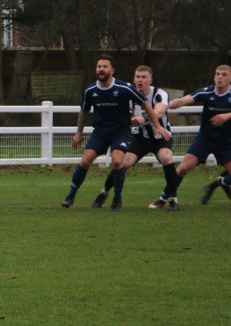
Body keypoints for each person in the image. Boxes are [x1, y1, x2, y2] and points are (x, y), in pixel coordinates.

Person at [61, 54, 170, 211]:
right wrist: (79, 133)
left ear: (112, 70)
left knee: (118, 162)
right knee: (85, 161)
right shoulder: (91, 90)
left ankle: (117, 198)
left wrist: (158, 126)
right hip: (100, 132)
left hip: (120, 131)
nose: (101, 69)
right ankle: (70, 195)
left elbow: (145, 104)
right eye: (99, 66)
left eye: (105, 67)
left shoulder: (124, 88)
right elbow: (84, 111)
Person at [90, 65, 178, 210]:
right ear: (133, 79)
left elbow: (160, 111)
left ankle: (173, 199)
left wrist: (143, 119)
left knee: (166, 158)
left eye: (144, 77)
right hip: (140, 137)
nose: (140, 80)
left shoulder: (159, 94)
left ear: (151, 80)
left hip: (160, 136)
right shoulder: (129, 94)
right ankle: (104, 192)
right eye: (137, 77)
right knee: (123, 163)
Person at [152, 64, 231, 211]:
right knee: (183, 168)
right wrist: (167, 105)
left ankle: (224, 181)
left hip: (226, 142)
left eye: (224, 74)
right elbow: (183, 100)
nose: (220, 77)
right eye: (217, 74)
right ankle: (163, 198)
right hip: (205, 139)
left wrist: (226, 116)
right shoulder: (207, 92)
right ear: (214, 77)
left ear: (230, 78)